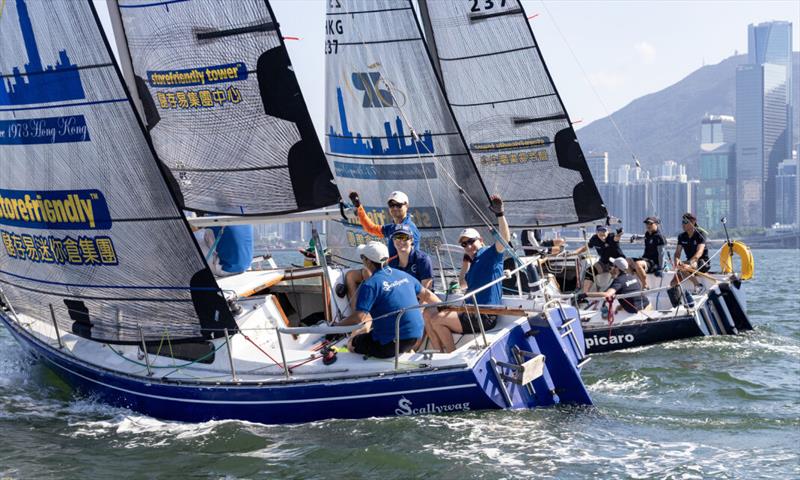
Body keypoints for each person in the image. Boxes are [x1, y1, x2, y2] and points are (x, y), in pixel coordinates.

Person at [425, 195, 509, 353]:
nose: (469, 246)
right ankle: (438, 353)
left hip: (485, 315)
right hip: (471, 312)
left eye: (471, 241)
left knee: (437, 320)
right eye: (464, 244)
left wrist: (500, 215)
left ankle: (449, 355)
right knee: (429, 314)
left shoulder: (491, 254)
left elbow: (504, 239)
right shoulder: (473, 263)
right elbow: (463, 283)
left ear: (481, 240)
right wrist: (465, 264)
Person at [337, 242, 440, 358]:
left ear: (368, 262)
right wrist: (444, 307)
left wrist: (336, 326)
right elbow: (426, 294)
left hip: (390, 345)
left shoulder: (370, 285)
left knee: (352, 343)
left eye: (362, 257)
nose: (363, 260)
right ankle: (406, 351)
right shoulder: (403, 275)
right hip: (415, 337)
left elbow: (359, 318)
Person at [344, 190, 421, 307]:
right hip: (389, 270)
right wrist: (359, 207)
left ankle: (362, 315)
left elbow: (408, 256)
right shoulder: (393, 227)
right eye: (391, 205)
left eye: (398, 205)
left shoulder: (409, 229)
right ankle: (359, 314)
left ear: (407, 206)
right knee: (353, 275)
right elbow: (371, 228)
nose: (395, 208)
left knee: (361, 274)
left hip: (400, 276)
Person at [584, 257, 650, 314]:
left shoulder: (619, 281)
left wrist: (585, 294)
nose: (610, 267)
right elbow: (630, 293)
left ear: (616, 268)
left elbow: (607, 294)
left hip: (638, 313)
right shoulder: (632, 277)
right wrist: (621, 307)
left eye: (612, 265)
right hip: (648, 306)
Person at [571, 224, 624, 292]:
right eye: (600, 231)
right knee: (589, 271)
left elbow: (616, 238)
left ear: (608, 231)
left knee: (614, 272)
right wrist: (575, 252)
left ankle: (617, 292)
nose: (602, 233)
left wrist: (619, 234)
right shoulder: (594, 239)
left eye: (604, 231)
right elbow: (586, 247)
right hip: (604, 262)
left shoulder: (611, 236)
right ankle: (585, 294)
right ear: (596, 232)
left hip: (616, 262)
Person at [388, 224, 434, 289]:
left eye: (404, 237)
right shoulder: (390, 263)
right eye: (397, 237)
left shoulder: (423, 260)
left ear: (411, 240)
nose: (401, 241)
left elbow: (426, 292)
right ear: (393, 241)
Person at [673, 212, 710, 291]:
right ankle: (679, 300)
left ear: (693, 222)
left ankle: (698, 285)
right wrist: (676, 260)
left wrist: (689, 264)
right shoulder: (681, 236)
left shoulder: (701, 234)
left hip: (701, 262)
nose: (683, 224)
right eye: (682, 222)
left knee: (683, 267)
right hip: (689, 263)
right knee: (673, 283)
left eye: (685, 222)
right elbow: (677, 252)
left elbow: (699, 252)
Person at [633, 216, 667, 289]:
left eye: (650, 224)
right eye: (647, 224)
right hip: (645, 259)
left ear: (656, 224)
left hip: (653, 263)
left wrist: (660, 268)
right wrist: (636, 237)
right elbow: (644, 237)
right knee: (627, 261)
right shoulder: (648, 234)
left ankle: (645, 285)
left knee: (638, 264)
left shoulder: (659, 237)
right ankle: (635, 284)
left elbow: (662, 254)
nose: (648, 225)